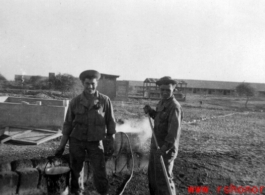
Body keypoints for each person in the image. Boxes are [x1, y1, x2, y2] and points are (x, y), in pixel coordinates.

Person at [55, 70, 116, 195]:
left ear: (97, 83)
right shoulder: (75, 102)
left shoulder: (105, 101)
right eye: (87, 83)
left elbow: (111, 124)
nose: (90, 87)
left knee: (100, 171)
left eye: (92, 84)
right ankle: (77, 192)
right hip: (77, 142)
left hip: (96, 142)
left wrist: (111, 142)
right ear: (83, 83)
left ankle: (103, 192)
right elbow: (67, 126)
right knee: (76, 171)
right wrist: (61, 147)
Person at [144, 76, 183, 195]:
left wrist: (164, 149)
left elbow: (173, 133)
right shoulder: (161, 102)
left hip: (166, 149)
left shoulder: (175, 107)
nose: (165, 92)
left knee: (164, 180)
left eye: (168, 90)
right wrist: (151, 112)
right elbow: (160, 119)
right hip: (156, 146)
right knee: (153, 177)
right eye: (162, 90)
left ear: (174, 90)